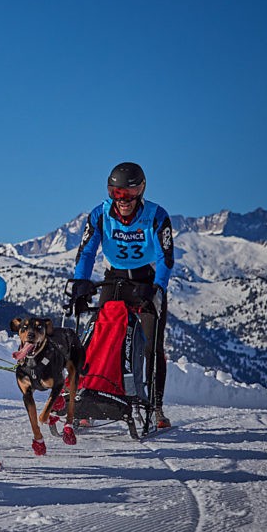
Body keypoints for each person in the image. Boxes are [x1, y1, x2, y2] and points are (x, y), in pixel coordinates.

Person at [69, 161, 175, 428]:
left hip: (146, 281)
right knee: (100, 338)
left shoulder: (156, 215)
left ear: (141, 191)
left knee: (152, 346)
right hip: (113, 280)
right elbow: (87, 251)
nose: (123, 200)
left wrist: (158, 289)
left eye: (128, 194)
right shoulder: (100, 215)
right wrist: (81, 282)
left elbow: (166, 257)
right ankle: (90, 399)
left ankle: (156, 406)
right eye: (116, 193)